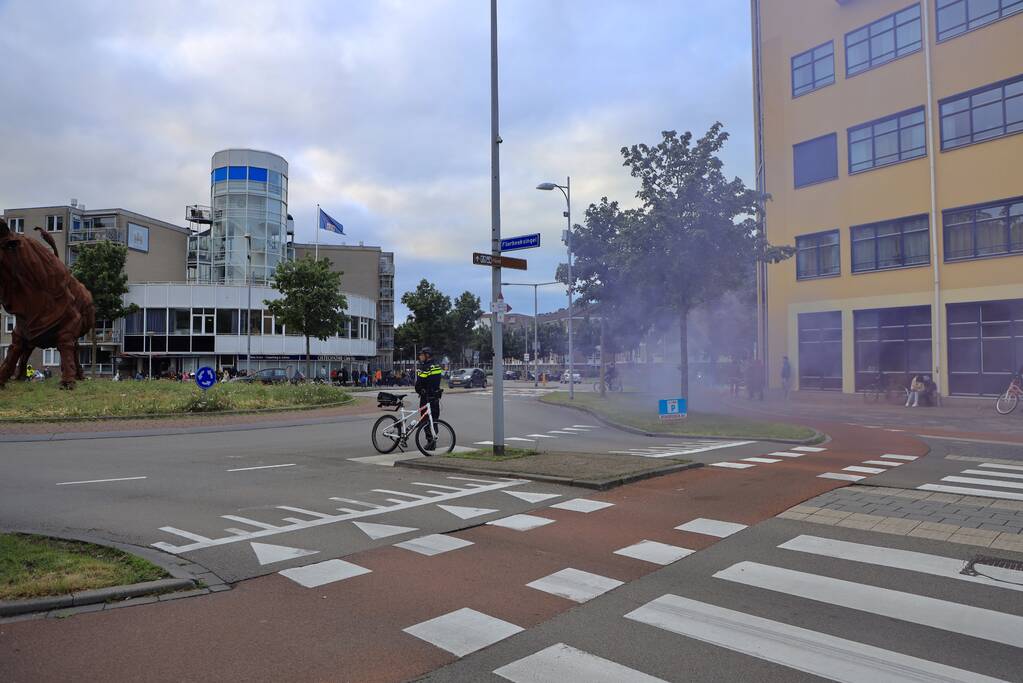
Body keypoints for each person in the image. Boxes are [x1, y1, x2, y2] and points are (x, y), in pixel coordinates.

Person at [415, 346, 444, 450]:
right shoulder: (436, 365)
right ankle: (433, 442)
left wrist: (419, 390)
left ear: (427, 355)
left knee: (425, 420)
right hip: (435, 397)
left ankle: (430, 441)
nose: (419, 356)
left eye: (421, 355)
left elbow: (420, 383)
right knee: (434, 420)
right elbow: (435, 381)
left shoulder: (425, 367)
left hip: (426, 397)